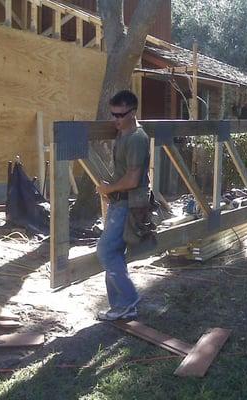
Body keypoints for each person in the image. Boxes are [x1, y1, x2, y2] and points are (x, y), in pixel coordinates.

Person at [95, 90, 150, 321]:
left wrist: (109, 189)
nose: (115, 119)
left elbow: (133, 179)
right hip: (120, 201)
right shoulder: (124, 133)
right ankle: (120, 306)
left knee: (106, 250)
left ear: (133, 112)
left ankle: (127, 300)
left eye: (120, 115)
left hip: (127, 203)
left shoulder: (136, 138)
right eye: (113, 114)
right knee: (114, 252)